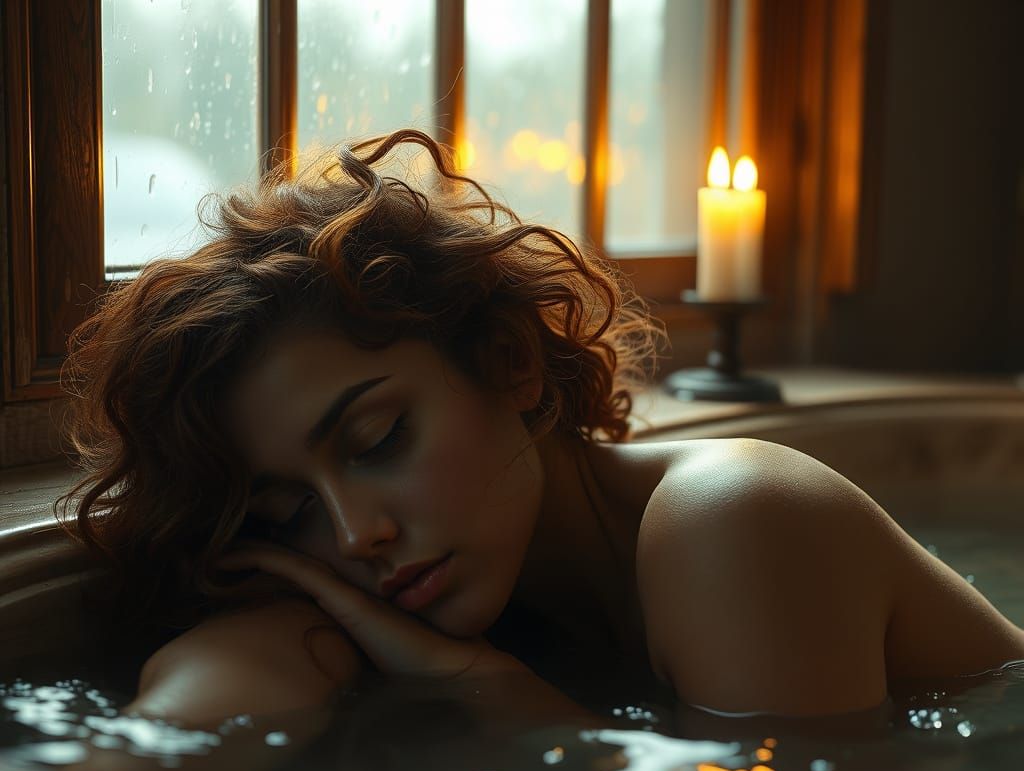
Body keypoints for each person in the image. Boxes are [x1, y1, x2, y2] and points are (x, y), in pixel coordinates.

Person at [55, 128, 1024, 735]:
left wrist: (485, 690)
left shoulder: (737, 516)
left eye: (381, 436)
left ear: (512, 363)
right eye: (291, 508)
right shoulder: (477, 597)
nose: (355, 536)